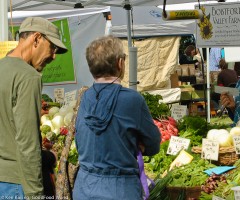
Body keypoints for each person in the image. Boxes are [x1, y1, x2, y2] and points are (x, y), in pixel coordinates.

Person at [73, 36, 161, 200]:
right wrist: (138, 146)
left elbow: (81, 142)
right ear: (120, 63)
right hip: (120, 189)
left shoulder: (84, 99)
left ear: (91, 67)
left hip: (84, 188)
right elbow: (153, 143)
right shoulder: (132, 100)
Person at [0, 17, 67, 199]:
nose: (54, 56)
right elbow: (27, 142)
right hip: (16, 183)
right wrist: (36, 194)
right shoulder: (28, 76)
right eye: (52, 48)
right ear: (37, 39)